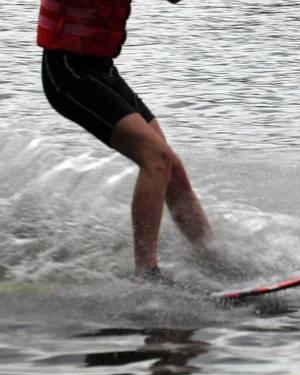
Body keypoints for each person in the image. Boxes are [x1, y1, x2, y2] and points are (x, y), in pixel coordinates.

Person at [37, 0, 212, 281]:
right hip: (68, 73)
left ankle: (211, 258)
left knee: (172, 169)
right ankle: (146, 274)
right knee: (156, 158)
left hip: (102, 71)